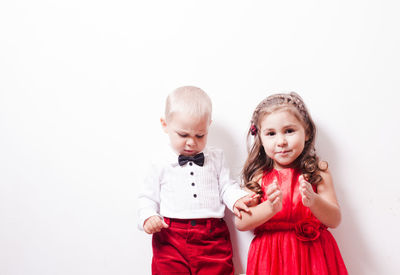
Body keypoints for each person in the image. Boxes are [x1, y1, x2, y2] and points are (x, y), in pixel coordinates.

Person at [138, 86, 256, 275]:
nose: (192, 142)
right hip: (170, 237)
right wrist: (148, 217)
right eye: (183, 135)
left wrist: (237, 199)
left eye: (200, 135)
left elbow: (227, 186)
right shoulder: (159, 161)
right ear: (165, 124)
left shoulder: (216, 157)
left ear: (208, 125)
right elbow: (147, 197)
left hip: (212, 237)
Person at [235, 92, 348, 274]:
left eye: (289, 131)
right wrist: (270, 208)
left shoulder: (317, 172)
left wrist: (314, 201)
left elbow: (335, 219)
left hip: (313, 256)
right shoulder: (259, 176)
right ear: (261, 139)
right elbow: (241, 223)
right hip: (271, 258)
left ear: (307, 132)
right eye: (271, 134)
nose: (281, 141)